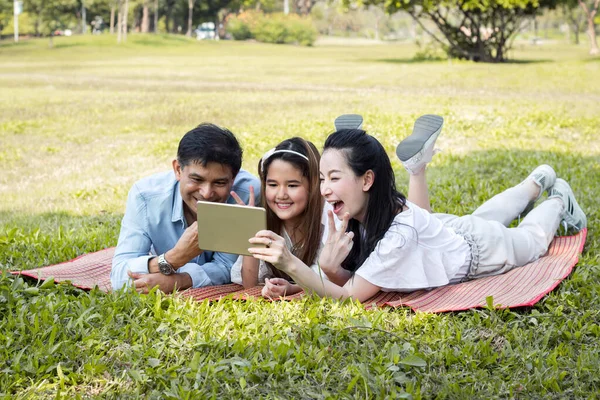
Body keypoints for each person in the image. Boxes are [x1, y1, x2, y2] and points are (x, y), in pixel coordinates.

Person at [247, 115, 587, 302]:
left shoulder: (398, 232)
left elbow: (352, 296)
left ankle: (558, 198)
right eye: (322, 178)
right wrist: (304, 282)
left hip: (480, 252)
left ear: (367, 180)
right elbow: (350, 277)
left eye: (334, 177)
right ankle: (537, 179)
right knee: (484, 216)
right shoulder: (364, 211)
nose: (324, 189)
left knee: (532, 239)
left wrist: (291, 264)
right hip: (449, 232)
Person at [111, 123, 260, 293]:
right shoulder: (145, 196)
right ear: (178, 169)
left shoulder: (247, 195)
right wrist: (173, 258)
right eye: (196, 180)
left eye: (219, 183)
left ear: (234, 178)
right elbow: (119, 276)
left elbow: (227, 265)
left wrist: (180, 281)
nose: (206, 193)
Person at [230, 137, 337, 298]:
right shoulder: (268, 222)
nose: (281, 195)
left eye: (292, 185)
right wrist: (250, 227)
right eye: (273, 185)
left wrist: (293, 288)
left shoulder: (328, 220)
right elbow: (249, 286)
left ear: (313, 185)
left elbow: (331, 279)